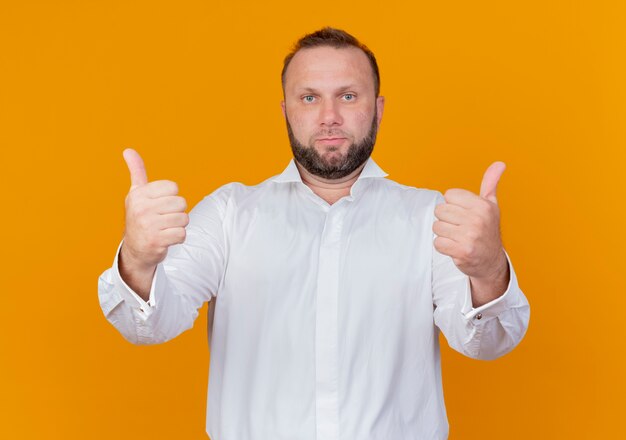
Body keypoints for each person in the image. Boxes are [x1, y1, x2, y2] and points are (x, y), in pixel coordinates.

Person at [98, 27, 530, 440]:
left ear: (377, 108)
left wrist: (489, 269)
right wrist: (137, 259)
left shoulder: (431, 217)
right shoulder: (230, 213)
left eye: (347, 95)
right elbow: (147, 326)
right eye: (309, 98)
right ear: (286, 110)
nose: (329, 117)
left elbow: (487, 344)